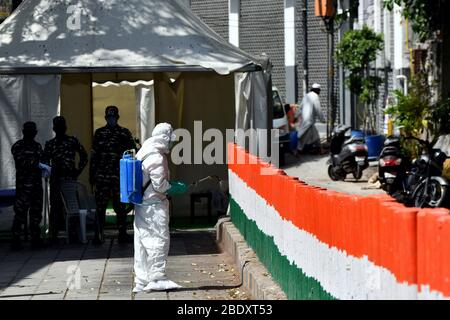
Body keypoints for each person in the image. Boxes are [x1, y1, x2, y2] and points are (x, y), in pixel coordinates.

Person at [133, 123, 181, 293]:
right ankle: (157, 277)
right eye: (170, 140)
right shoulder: (157, 157)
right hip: (154, 206)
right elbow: (160, 186)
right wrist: (173, 187)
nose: (171, 144)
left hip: (141, 205)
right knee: (159, 239)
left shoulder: (144, 150)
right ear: (165, 138)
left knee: (142, 242)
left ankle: (141, 280)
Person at [90, 106, 136, 244]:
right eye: (109, 117)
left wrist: (130, 176)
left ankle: (122, 233)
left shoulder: (124, 133)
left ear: (117, 118)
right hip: (102, 177)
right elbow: (94, 156)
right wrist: (92, 175)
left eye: (113, 117)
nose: (111, 119)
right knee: (100, 207)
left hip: (118, 177)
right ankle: (98, 235)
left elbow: (132, 153)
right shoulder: (99, 133)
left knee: (120, 207)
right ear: (105, 118)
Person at [43, 116, 88, 244]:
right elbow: (45, 162)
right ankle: (54, 235)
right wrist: (51, 170)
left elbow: (84, 156)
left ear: (65, 128)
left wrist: (77, 171)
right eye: (57, 127)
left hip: (70, 179)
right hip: (56, 180)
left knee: (72, 207)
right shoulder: (50, 144)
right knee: (56, 208)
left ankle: (74, 234)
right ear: (54, 129)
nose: (59, 129)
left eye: (61, 127)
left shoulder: (72, 141)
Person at [11, 122, 51, 250]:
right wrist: (38, 164)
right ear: (24, 131)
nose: (31, 133)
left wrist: (45, 166)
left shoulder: (37, 146)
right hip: (24, 187)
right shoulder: (18, 146)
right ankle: (16, 240)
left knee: (36, 214)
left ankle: (36, 239)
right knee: (20, 214)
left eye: (33, 130)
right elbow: (22, 161)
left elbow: (43, 159)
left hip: (36, 186)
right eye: (28, 130)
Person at [295, 83, 325, 153]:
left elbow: (300, 107)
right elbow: (318, 110)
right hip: (309, 120)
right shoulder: (315, 97)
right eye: (319, 91)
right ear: (317, 90)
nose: (319, 92)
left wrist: (296, 116)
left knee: (315, 135)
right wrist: (322, 120)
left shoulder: (306, 96)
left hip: (304, 119)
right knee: (302, 136)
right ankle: (298, 149)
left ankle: (320, 149)